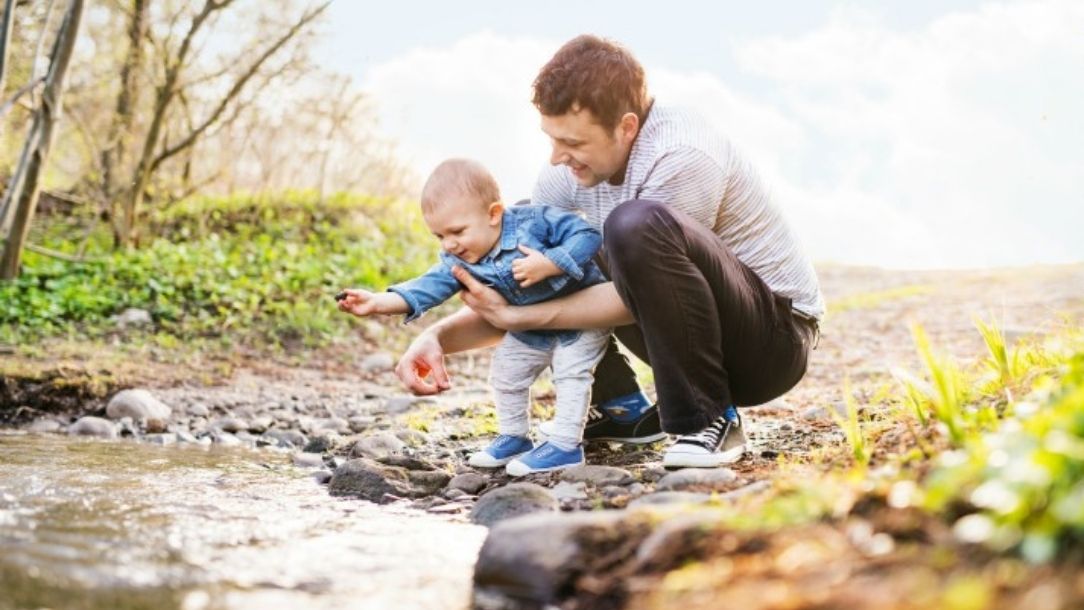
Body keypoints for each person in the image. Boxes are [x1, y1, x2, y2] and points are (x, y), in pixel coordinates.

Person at [394, 35, 825, 469]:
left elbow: (637, 294)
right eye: (553, 139)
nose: (559, 157)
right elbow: (517, 286)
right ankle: (622, 408)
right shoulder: (564, 173)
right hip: (687, 326)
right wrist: (436, 338)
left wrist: (522, 319)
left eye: (575, 144)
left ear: (627, 127)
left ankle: (709, 416)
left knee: (632, 227)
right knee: (530, 229)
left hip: (773, 341)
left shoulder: (682, 154)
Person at [337, 158, 616, 475]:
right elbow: (428, 286)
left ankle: (565, 446)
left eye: (457, 231)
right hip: (531, 329)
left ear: (494, 214)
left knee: (570, 374)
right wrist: (377, 302)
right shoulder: (457, 257)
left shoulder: (534, 222)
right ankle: (514, 436)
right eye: (439, 236)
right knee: (506, 372)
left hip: (580, 317)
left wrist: (552, 263)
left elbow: (587, 234)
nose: (449, 244)